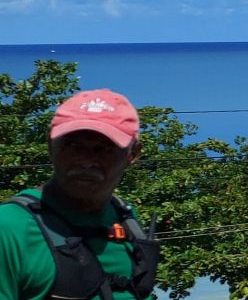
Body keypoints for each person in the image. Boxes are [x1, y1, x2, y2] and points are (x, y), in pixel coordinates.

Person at [0, 89, 159, 300]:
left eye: (104, 148)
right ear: (50, 145)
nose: (85, 160)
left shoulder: (124, 218)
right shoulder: (10, 227)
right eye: (72, 145)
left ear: (133, 154)